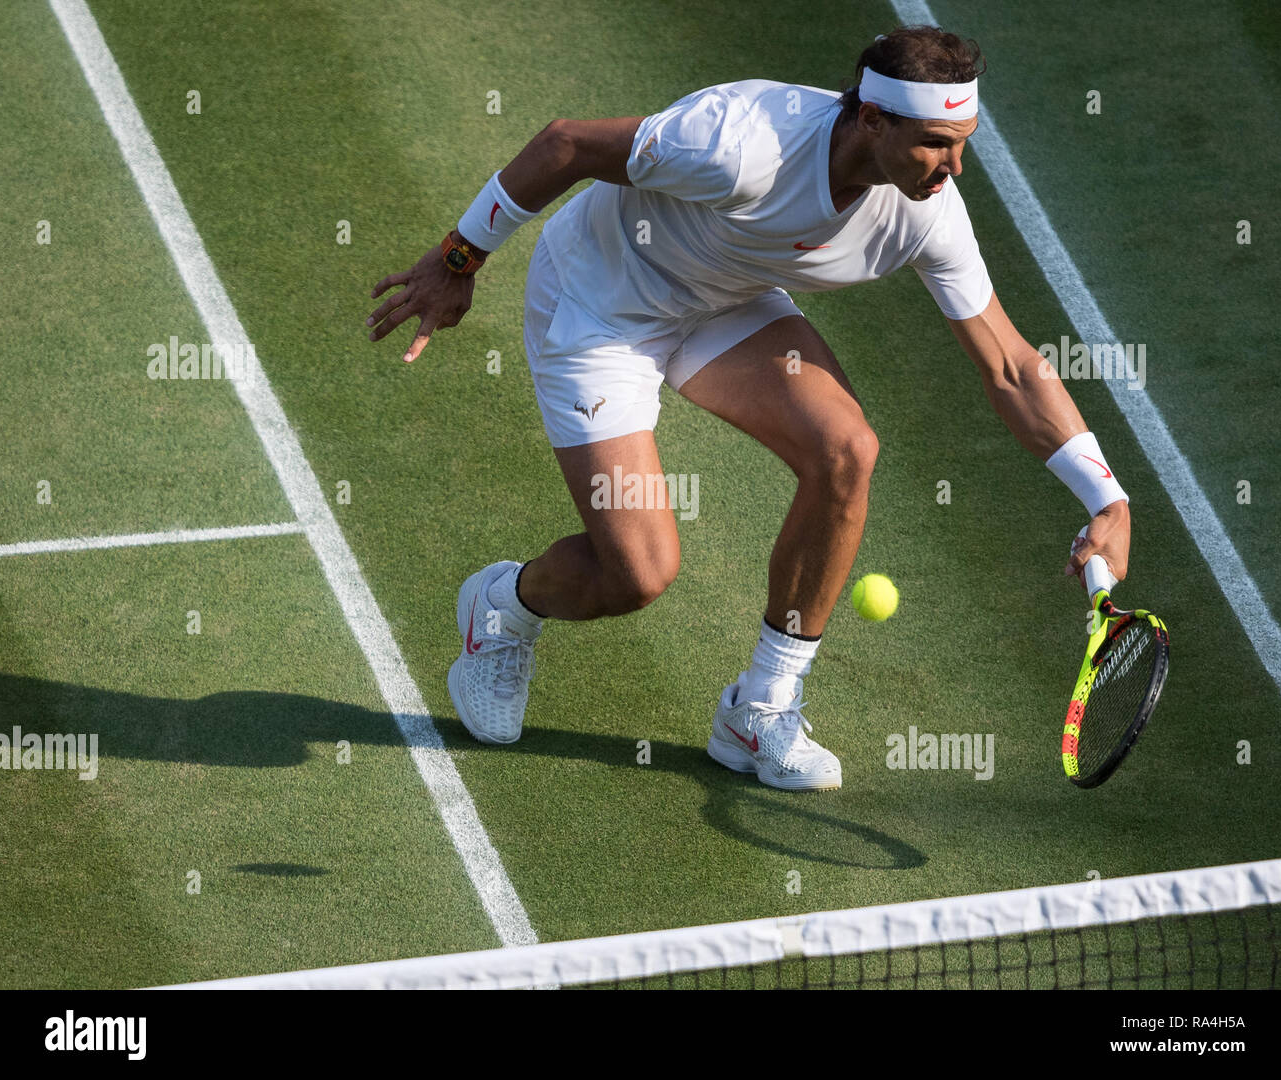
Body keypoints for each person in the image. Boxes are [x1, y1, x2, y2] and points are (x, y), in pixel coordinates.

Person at [366, 24, 1132, 792]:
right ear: (872, 120)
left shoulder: (927, 210)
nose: (954, 166)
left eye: (963, 142)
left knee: (846, 451)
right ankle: (505, 605)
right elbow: (567, 144)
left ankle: (759, 711)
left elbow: (1009, 365)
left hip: (724, 303)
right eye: (937, 142)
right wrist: (459, 258)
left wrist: (1108, 496)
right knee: (634, 575)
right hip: (599, 302)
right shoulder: (739, 144)